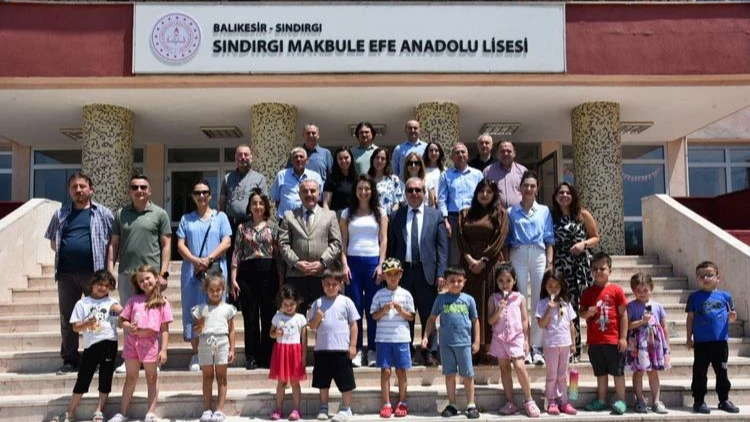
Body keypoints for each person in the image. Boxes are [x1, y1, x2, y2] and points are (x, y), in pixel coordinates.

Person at [44, 172, 114, 375]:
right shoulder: (60, 214)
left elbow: (113, 242)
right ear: (69, 191)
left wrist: (109, 272)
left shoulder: (103, 213)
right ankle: (70, 359)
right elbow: (53, 241)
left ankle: (99, 358)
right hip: (66, 275)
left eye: (82, 186)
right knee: (69, 319)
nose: (78, 190)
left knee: (98, 317)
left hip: (94, 275)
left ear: (91, 189)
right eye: (74, 187)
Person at [108, 174, 171, 374]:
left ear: (150, 191)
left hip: (151, 276)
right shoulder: (120, 214)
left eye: (143, 187)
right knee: (129, 317)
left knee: (154, 318)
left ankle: (153, 358)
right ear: (130, 191)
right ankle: (130, 358)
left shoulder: (160, 214)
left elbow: (166, 245)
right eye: (135, 187)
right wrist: (110, 271)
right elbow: (114, 244)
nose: (139, 190)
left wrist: (163, 273)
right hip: (127, 274)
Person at [387, 177, 448, 367]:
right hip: (403, 272)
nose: (414, 193)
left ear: (424, 193)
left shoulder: (435, 215)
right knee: (405, 313)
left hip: (426, 272)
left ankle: (429, 351)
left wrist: (441, 273)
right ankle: (406, 350)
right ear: (405, 193)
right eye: (410, 190)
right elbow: (392, 246)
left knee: (428, 313)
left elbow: (442, 248)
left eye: (418, 190)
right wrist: (390, 274)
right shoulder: (396, 216)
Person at [50, 271, 121, 422]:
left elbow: (123, 315)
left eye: (107, 286)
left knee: (106, 377)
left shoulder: (112, 302)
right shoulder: (82, 303)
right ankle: (71, 411)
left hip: (109, 343)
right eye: (100, 284)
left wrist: (122, 315)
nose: (103, 288)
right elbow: (75, 327)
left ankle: (99, 410)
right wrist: (87, 324)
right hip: (91, 345)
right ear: (92, 284)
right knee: (83, 377)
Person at [176, 180, 232, 371]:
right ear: (193, 196)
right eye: (197, 192)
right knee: (194, 310)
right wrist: (195, 260)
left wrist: (208, 259)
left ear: (210, 195)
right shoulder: (186, 219)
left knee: (215, 310)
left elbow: (226, 242)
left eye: (205, 192)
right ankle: (197, 353)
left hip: (214, 269)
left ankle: (216, 351)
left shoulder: (220, 217)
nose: (201, 196)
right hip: (193, 272)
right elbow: (180, 245)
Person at [108, 265, 173, 422]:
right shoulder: (133, 300)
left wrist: (164, 349)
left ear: (156, 278)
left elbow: (164, 329)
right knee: (131, 377)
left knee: (151, 377)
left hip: (150, 345)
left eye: (147, 278)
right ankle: (122, 413)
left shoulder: (163, 302)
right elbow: (122, 320)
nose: (145, 282)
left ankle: (150, 412)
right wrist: (127, 326)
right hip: (132, 343)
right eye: (141, 281)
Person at [457, 179, 508, 362]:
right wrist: (471, 260)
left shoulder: (500, 214)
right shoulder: (465, 213)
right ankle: (471, 347)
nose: (484, 194)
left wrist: (484, 260)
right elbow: (460, 238)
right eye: (481, 191)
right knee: (470, 305)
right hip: (468, 266)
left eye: (489, 191)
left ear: (494, 195)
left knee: (488, 305)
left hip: (490, 265)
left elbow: (499, 239)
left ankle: (489, 348)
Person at [506, 170, 554, 366]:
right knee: (519, 301)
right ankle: (522, 346)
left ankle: (537, 347)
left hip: (538, 254)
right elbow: (507, 238)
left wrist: (549, 262)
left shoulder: (544, 210)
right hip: (517, 253)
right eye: (526, 185)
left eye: (532, 186)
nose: (529, 189)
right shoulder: (511, 211)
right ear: (520, 188)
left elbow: (549, 238)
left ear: (537, 188)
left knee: (538, 301)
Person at [230, 189, 282, 370]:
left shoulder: (273, 227)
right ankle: (251, 357)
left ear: (266, 206)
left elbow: (278, 256)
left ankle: (267, 357)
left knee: (268, 315)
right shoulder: (242, 228)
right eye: (254, 203)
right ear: (249, 207)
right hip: (247, 274)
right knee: (250, 317)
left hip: (269, 272)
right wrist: (233, 278)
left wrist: (281, 279)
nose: (258, 206)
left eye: (261, 203)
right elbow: (236, 254)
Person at [340, 175, 388, 367]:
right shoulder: (346, 213)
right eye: (360, 188)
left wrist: (381, 264)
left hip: (373, 262)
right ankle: (357, 348)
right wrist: (344, 264)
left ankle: (373, 349)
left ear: (372, 190)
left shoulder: (380, 212)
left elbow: (383, 240)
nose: (363, 192)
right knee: (356, 307)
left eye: (367, 188)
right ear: (355, 191)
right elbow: (343, 242)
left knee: (373, 307)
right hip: (353, 262)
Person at [421, 267, 480, 419]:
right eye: (452, 281)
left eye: (459, 281)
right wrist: (426, 336)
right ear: (446, 282)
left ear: (464, 282)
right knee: (449, 374)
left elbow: (475, 320)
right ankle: (452, 403)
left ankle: (471, 404)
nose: (456, 284)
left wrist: (477, 340)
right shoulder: (441, 299)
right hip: (446, 344)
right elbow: (432, 318)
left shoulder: (469, 299)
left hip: (464, 343)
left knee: (468, 375)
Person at [551, 182, 599, 362]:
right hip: (563, 266)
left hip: (582, 266)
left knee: (587, 306)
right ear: (556, 197)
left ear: (573, 196)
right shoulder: (552, 217)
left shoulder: (582, 214)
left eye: (568, 193)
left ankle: (596, 347)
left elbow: (595, 237)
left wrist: (583, 244)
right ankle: (574, 350)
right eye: (561, 193)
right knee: (568, 308)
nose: (564, 196)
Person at [279, 179, 342, 314]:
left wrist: (322, 263)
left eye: (312, 191)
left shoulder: (330, 215)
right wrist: (296, 263)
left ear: (319, 193)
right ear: (299, 194)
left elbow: (336, 243)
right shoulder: (289, 216)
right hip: (296, 274)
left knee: (323, 317)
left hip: (323, 275)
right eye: (305, 191)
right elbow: (283, 243)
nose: (309, 194)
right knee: (296, 318)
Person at [686, 261, 740, 414]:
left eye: (709, 275)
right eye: (701, 276)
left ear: (717, 278)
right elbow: (690, 318)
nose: (706, 278)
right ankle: (698, 401)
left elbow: (731, 317)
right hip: (701, 343)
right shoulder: (694, 297)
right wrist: (689, 338)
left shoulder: (725, 296)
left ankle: (724, 400)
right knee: (700, 372)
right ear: (697, 279)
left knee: (722, 372)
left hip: (720, 343)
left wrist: (732, 317)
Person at [578, 252, 628, 415]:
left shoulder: (616, 290)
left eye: (602, 268)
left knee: (618, 372)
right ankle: (601, 399)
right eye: (595, 269)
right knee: (600, 372)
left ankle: (621, 400)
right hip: (595, 340)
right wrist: (588, 313)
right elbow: (581, 313)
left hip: (613, 340)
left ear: (610, 270)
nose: (598, 271)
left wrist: (623, 337)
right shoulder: (587, 292)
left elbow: (623, 315)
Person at [308, 269, 360, 422]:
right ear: (322, 283)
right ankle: (324, 407)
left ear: (340, 284)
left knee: (345, 381)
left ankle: (346, 408)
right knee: (322, 381)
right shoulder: (318, 303)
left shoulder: (346, 301)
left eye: (334, 284)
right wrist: (317, 318)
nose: (330, 287)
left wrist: (353, 345)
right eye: (327, 284)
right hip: (322, 349)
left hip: (341, 350)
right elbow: (312, 327)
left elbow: (354, 325)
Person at [488, 262, 539, 418]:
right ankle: (509, 401)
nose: (505, 284)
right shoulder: (493, 299)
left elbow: (525, 320)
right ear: (496, 282)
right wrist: (499, 309)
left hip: (516, 337)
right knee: (504, 369)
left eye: (508, 280)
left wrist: (526, 339)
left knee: (519, 365)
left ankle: (529, 399)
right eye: (501, 281)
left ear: (514, 280)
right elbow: (490, 321)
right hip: (499, 338)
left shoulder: (520, 298)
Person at [370, 258, 416, 418]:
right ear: (384, 276)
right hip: (383, 339)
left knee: (401, 371)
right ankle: (387, 403)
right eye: (389, 274)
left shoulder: (406, 294)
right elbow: (373, 316)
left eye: (396, 274)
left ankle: (402, 402)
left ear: (401, 275)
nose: (393, 277)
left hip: (401, 338)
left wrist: (400, 310)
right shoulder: (379, 295)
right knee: (386, 371)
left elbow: (411, 317)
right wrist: (383, 310)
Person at [219, 144, 268, 284]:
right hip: (231, 225)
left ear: (251, 157)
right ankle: (231, 289)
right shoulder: (228, 178)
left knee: (248, 259)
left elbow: (264, 203)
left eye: (246, 154)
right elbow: (222, 203)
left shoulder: (259, 178)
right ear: (235, 157)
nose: (243, 157)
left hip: (250, 225)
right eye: (240, 155)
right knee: (231, 259)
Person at [192, 275, 237, 422]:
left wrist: (232, 349)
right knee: (207, 376)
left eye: (218, 290)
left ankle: (220, 409)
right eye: (211, 290)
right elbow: (196, 329)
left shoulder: (228, 309)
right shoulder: (200, 309)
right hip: (205, 342)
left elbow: (232, 330)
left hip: (222, 342)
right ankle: (207, 409)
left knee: (221, 377)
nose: (215, 293)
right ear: (206, 290)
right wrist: (199, 328)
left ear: (223, 290)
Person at [535, 270, 578, 416]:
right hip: (551, 345)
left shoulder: (566, 304)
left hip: (565, 343)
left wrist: (573, 343)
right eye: (550, 286)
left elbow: (571, 325)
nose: (553, 289)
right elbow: (541, 324)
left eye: (557, 286)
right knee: (552, 374)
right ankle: (551, 400)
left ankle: (563, 401)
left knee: (562, 374)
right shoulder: (542, 304)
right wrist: (548, 309)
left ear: (561, 287)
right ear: (545, 287)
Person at [626, 272, 670, 414]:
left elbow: (664, 326)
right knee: (638, 372)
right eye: (638, 290)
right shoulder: (631, 306)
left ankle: (656, 401)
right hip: (638, 345)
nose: (642, 293)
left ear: (651, 288)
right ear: (633, 291)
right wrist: (641, 321)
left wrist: (666, 347)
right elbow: (627, 325)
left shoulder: (658, 306)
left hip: (654, 344)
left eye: (645, 290)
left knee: (653, 372)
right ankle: (639, 400)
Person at [438, 143, 484, 266]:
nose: (460, 155)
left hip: (473, 217)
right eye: (457, 152)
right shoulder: (445, 175)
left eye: (463, 152)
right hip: (453, 219)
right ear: (452, 157)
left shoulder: (477, 174)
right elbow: (442, 199)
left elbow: (482, 198)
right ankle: (454, 278)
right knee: (454, 255)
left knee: (474, 252)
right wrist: (445, 220)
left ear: (467, 155)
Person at [269, 285, 308, 422]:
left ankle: (296, 410)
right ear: (281, 303)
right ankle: (278, 409)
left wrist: (304, 357)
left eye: (292, 304)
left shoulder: (301, 318)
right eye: (285, 304)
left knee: (295, 382)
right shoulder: (277, 316)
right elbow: (270, 333)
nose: (289, 307)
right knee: (281, 382)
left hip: (295, 352)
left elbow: (304, 339)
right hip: (281, 352)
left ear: (297, 303)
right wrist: (276, 333)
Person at [271, 148, 324, 220]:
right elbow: (277, 199)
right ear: (291, 161)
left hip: (308, 219)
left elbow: (319, 200)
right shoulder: (281, 175)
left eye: (301, 157)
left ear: (307, 160)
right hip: (285, 220)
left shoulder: (315, 177)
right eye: (295, 157)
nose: (298, 159)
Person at [483, 140, 528, 208]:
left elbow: (529, 192)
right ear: (497, 154)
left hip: (518, 212)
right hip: (495, 212)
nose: (505, 153)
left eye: (509, 151)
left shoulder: (523, 171)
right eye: (502, 151)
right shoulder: (488, 171)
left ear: (514, 153)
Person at [368, 147, 403, 216]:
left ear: (386, 162)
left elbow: (397, 202)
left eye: (383, 158)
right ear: (372, 159)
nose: (379, 161)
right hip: (371, 217)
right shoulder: (367, 180)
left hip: (390, 217)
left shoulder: (394, 179)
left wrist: (390, 216)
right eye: (377, 157)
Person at [323, 146, 358, 215]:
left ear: (351, 158)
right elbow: (326, 203)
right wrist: (327, 218)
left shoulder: (357, 178)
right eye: (340, 159)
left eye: (346, 158)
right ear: (336, 161)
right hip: (338, 217)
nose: (343, 161)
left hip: (354, 216)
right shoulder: (331, 179)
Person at [422, 141, 445, 208]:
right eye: (431, 150)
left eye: (436, 150)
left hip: (441, 205)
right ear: (427, 153)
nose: (433, 153)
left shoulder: (444, 171)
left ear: (440, 153)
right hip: (425, 205)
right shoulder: (422, 170)